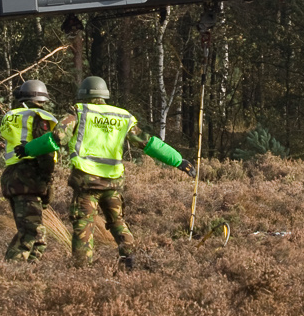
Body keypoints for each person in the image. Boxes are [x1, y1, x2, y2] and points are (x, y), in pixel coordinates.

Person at [15, 75, 193, 270]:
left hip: (86, 182)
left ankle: (82, 270)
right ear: (104, 94)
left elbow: (56, 139)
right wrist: (178, 160)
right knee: (117, 222)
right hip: (113, 183)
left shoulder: (79, 111)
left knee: (83, 225)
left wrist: (28, 149)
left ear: (83, 94)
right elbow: (148, 143)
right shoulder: (123, 116)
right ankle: (129, 259)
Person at [0, 79, 59, 263]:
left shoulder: (11, 116)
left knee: (38, 236)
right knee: (31, 232)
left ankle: (29, 274)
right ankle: (11, 269)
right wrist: (48, 178)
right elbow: (44, 150)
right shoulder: (40, 118)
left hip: (12, 178)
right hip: (30, 178)